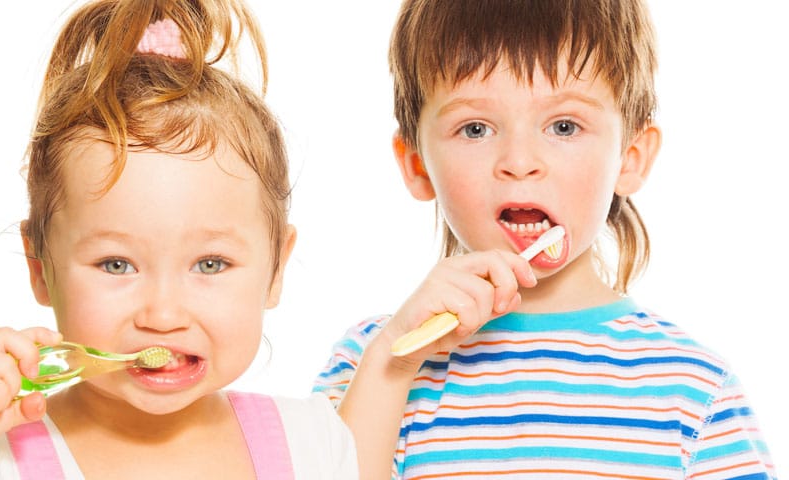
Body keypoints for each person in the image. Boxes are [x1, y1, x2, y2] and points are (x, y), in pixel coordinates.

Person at [0, 0, 360, 477]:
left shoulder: (314, 443)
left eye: (210, 264)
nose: (163, 316)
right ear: (39, 268)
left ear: (275, 269)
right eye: (116, 265)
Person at [313, 0, 778, 478]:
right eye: (475, 129)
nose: (519, 160)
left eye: (563, 126)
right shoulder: (372, 361)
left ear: (630, 157)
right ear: (415, 164)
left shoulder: (694, 389)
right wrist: (392, 368)